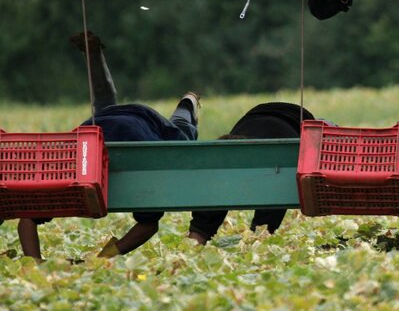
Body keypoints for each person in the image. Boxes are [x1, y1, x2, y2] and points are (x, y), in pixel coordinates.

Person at [16, 32, 201, 260]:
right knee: (104, 108)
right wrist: (101, 259)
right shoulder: (66, 178)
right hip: (99, 130)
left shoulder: (66, 183)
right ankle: (94, 54)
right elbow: (148, 225)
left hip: (137, 126)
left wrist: (37, 262)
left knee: (183, 134)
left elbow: (149, 226)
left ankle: (189, 101)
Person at [187, 102, 314, 245]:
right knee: (276, 181)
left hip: (256, 121)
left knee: (223, 176)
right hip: (286, 124)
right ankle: (258, 239)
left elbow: (214, 188)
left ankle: (197, 239)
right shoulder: (278, 170)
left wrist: (200, 231)